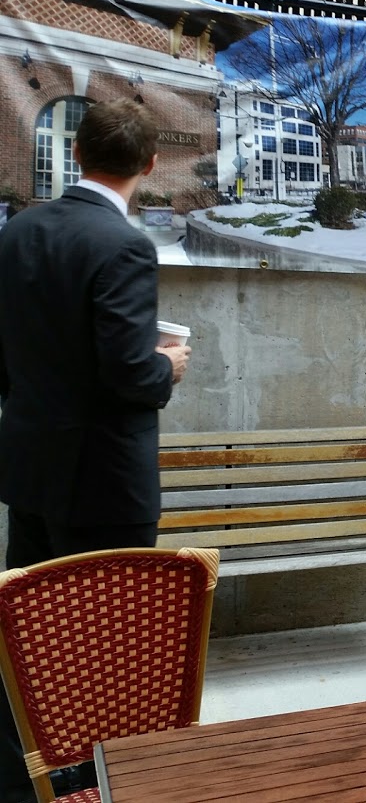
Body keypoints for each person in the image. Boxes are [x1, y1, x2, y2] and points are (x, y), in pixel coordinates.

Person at [0, 98, 190, 802]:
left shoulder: (17, 232)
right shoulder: (125, 245)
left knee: (33, 640)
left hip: (28, 470)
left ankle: (38, 779)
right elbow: (126, 372)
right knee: (113, 652)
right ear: (148, 165)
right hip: (106, 484)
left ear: (76, 155)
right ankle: (101, 783)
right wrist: (166, 365)